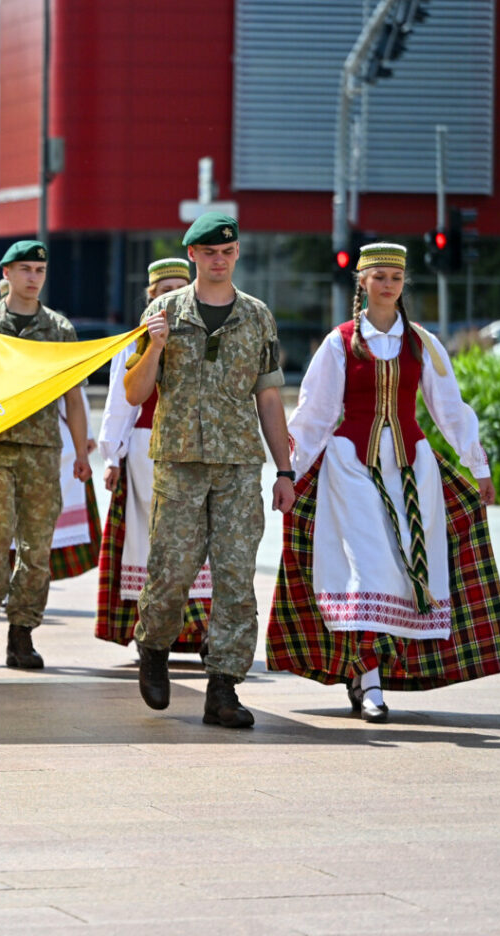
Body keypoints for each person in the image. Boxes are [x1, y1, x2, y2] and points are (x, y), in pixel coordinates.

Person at [268, 243, 500, 721]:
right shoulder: (339, 342)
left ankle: (369, 675)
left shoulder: (422, 343)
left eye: (395, 278)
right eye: (379, 276)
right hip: (350, 469)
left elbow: (450, 409)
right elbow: (314, 415)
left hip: (412, 470)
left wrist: (477, 466)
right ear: (361, 282)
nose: (387, 285)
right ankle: (372, 680)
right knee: (370, 568)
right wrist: (289, 474)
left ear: (403, 285)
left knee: (403, 574)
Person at [124, 212, 294, 728]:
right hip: (179, 462)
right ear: (193, 254)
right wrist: (155, 345)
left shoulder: (258, 315)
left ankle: (223, 686)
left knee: (237, 578)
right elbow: (135, 392)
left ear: (236, 254)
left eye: (228, 251)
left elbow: (268, 395)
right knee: (170, 574)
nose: (219, 260)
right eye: (209, 252)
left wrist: (284, 470)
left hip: (240, 465)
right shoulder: (163, 311)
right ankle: (153, 646)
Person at [0, 241, 90, 669]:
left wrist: (81, 452)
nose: (34, 277)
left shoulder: (60, 329)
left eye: (40, 269)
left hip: (41, 448)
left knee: (37, 547)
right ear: (7, 274)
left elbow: (73, 397)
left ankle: (23, 632)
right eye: (26, 269)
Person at [95, 258, 213, 651]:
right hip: (147, 447)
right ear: (152, 296)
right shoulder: (138, 338)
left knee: (196, 535)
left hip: (196, 448)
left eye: (180, 289)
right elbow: (120, 401)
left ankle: (193, 626)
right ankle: (151, 625)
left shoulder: (203, 334)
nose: (174, 298)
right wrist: (112, 456)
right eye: (166, 291)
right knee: (149, 537)